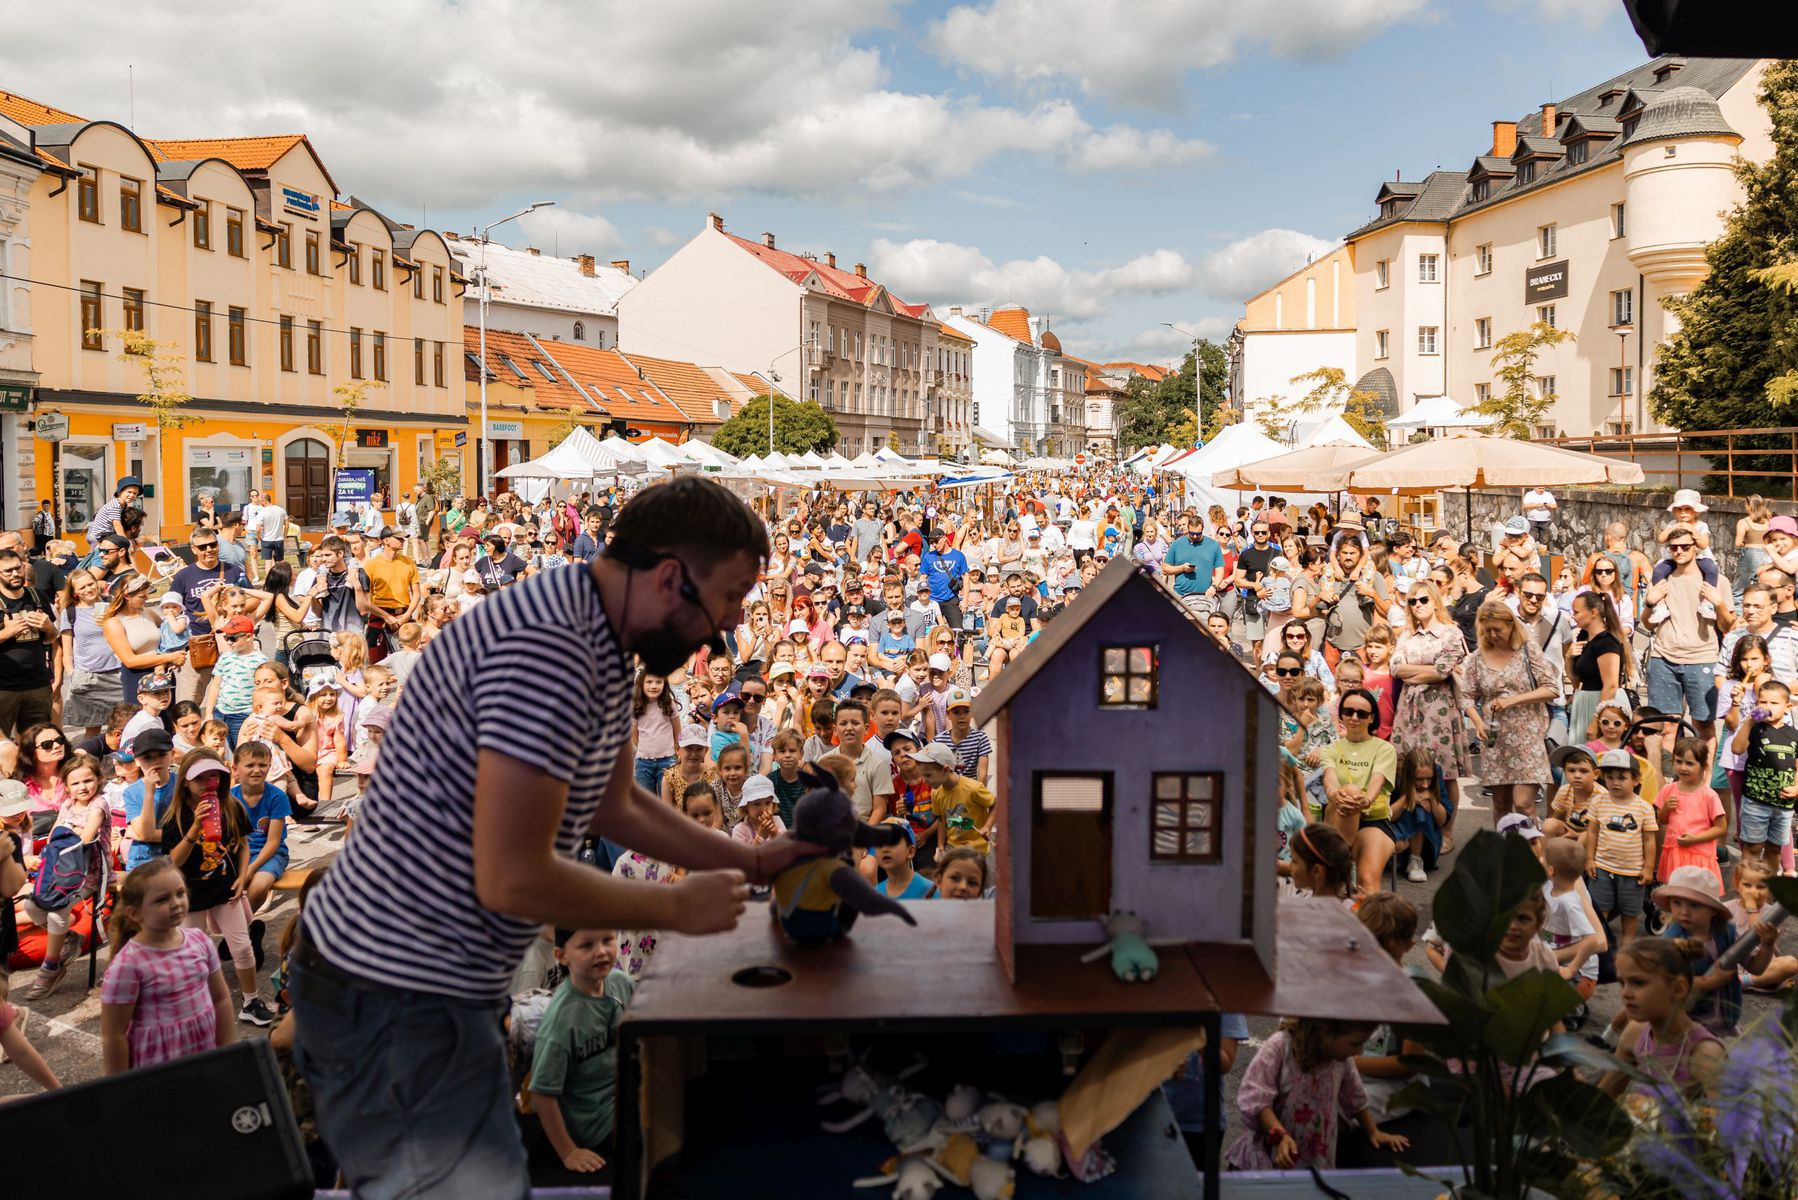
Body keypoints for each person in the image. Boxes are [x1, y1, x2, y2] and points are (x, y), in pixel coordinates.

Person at [290, 478, 812, 1199]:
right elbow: (510, 876)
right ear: (669, 577)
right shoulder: (550, 649)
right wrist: (674, 908)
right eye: (728, 598)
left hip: (436, 983)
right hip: (390, 985)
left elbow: (610, 801)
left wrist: (750, 859)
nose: (726, 627)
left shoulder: (599, 638)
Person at [99, 858, 235, 1074]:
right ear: (134, 913)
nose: (176, 903)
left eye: (180, 893)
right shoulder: (127, 965)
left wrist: (228, 1054)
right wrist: (121, 1092)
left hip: (205, 1058)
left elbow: (221, 999)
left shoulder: (199, 941)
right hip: (158, 1072)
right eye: (162, 899)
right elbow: (114, 1035)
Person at [1225, 1018, 1407, 1171]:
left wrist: (1373, 1132)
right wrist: (1280, 1137)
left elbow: (1355, 1096)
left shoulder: (1341, 1061)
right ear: (1326, 1031)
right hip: (1271, 1153)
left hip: (1315, 1156)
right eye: (1355, 1043)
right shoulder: (1281, 1047)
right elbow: (1257, 1096)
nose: (1359, 1052)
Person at [528, 928, 635, 1176]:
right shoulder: (561, 1022)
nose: (601, 952)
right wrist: (568, 1152)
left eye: (607, 940)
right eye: (587, 946)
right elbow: (541, 1095)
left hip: (621, 1096)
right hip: (594, 1124)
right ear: (562, 956)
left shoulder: (621, 983)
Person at [1457, 601, 1557, 822]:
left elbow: (1551, 688)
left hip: (1527, 737)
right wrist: (1477, 722)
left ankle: (1530, 851)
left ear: (1511, 626)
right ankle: (1505, 852)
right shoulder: (1477, 658)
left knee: (1523, 804)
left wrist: (1514, 700)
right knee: (1501, 805)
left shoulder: (1527, 650)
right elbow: (1466, 697)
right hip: (1494, 739)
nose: (1492, 635)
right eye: (1487, 630)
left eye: (1497, 629)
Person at [1389, 581, 1469, 802]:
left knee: (1445, 772)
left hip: (1440, 709)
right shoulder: (1405, 635)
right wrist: (1429, 670)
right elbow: (1395, 668)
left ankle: (1447, 832)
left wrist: (1411, 673)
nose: (1418, 604)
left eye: (1423, 599)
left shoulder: (1451, 633)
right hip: (1409, 710)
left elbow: (1442, 671)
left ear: (1435, 602)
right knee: (1408, 769)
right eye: (1412, 601)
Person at [1584, 748, 1659, 947]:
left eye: (1622, 777)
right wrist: (1589, 859)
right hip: (1602, 868)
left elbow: (1650, 840)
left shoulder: (1644, 808)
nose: (1615, 782)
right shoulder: (1598, 801)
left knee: (1630, 913)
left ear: (1636, 780)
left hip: (1632, 872)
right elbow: (1592, 832)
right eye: (1610, 777)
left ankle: (1627, 947)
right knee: (1599, 910)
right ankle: (1599, 945)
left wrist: (1648, 867)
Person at [170, 528, 250, 705]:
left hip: (231, 644)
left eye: (213, 544)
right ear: (193, 549)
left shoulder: (233, 571)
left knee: (234, 700)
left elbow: (251, 600)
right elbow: (171, 609)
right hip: (198, 646)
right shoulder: (183, 576)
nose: (209, 550)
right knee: (188, 703)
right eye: (202, 547)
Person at [1728, 676, 1798, 871]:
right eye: (1763, 701)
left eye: (1774, 703)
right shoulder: (1754, 729)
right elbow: (1737, 749)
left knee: (1774, 849)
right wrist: (1749, 722)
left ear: (1787, 707)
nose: (1768, 706)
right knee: (1753, 847)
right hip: (1756, 801)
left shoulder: (1794, 735)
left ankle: (1766, 890)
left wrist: (1796, 787)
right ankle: (1747, 889)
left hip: (1783, 804)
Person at [1655, 737, 1727, 890]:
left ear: (1702, 766)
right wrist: (1666, 808)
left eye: (1690, 763)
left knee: (1697, 897)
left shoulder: (1708, 795)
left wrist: (1694, 839)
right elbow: (1661, 820)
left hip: (1699, 855)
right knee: (1675, 897)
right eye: (1679, 761)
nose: (1683, 768)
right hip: (1674, 853)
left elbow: (1721, 828)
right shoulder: (1669, 790)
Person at [1160, 511, 1225, 616]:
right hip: (1181, 596)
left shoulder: (1213, 545)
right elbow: (1165, 569)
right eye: (1192, 533)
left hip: (1205, 597)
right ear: (1188, 528)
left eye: (1198, 534)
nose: (1195, 536)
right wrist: (1182, 568)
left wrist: (1214, 586)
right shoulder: (1177, 544)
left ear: (1203, 529)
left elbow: (1220, 569)